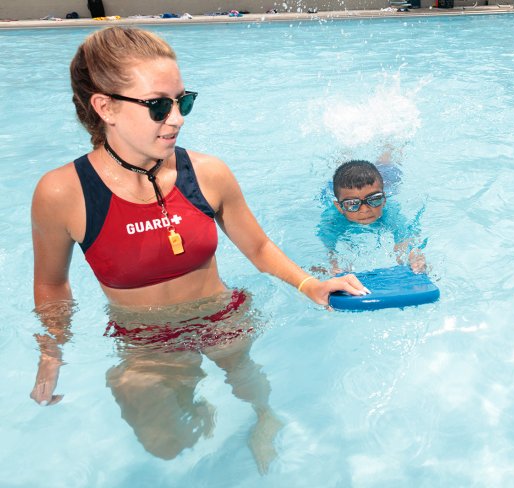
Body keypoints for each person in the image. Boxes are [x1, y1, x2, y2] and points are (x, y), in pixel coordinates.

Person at [30, 26, 366, 472]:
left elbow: (259, 246)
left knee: (251, 389)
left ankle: (263, 419)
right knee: (165, 445)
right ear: (105, 106)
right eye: (158, 105)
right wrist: (52, 350)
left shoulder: (207, 173)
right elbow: (52, 283)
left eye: (182, 101)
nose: (177, 118)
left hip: (220, 316)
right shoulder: (63, 193)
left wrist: (310, 285)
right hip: (144, 339)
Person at [315, 154, 426, 275]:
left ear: (384, 199)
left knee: (386, 164)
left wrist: (413, 258)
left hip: (386, 179)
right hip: (336, 187)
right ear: (339, 207)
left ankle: (387, 148)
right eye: (352, 204)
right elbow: (327, 250)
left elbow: (404, 238)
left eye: (374, 199)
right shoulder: (332, 220)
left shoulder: (389, 212)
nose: (365, 209)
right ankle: (343, 156)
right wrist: (333, 266)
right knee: (344, 170)